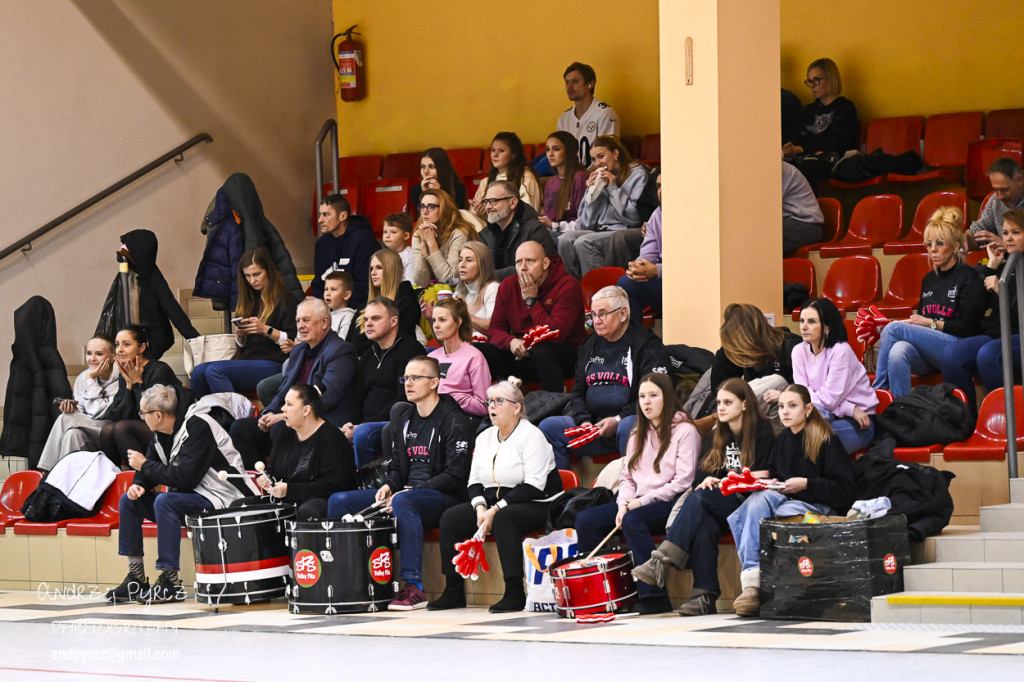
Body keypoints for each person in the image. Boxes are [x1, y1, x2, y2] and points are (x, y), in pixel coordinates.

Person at [328, 357, 474, 611]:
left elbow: (456, 475)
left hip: (443, 496)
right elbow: (397, 466)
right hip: (407, 494)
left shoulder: (454, 420)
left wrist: (411, 490)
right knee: (339, 501)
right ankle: (350, 580)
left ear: (434, 383)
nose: (409, 383)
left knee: (405, 501)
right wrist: (391, 485)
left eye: (416, 377)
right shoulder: (405, 418)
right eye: (405, 378)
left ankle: (414, 586)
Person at [632, 378, 775, 617]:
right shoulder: (715, 436)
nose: (720, 407)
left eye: (728, 402)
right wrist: (708, 481)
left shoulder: (763, 433)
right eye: (719, 402)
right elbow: (700, 478)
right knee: (703, 519)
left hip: (749, 503)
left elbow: (759, 480)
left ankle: (663, 560)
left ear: (745, 405)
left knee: (701, 501)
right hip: (721, 502)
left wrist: (724, 482)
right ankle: (703, 597)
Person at [105, 384, 253, 604]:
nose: (141, 418)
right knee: (129, 500)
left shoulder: (198, 426)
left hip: (223, 499)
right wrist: (139, 485)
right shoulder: (161, 433)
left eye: (142, 413)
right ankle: (136, 577)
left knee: (165, 501)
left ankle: (170, 582)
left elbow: (185, 478)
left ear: (157, 415)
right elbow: (150, 467)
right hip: (192, 498)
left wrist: (144, 466)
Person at [429, 377, 563, 613]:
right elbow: (473, 482)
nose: (492, 406)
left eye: (499, 401)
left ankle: (514, 592)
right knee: (451, 518)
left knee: (505, 518)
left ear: (517, 407)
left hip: (538, 502)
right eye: (489, 401)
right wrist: (481, 508)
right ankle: (453, 591)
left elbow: (534, 485)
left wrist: (495, 509)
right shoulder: (483, 437)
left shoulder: (532, 436)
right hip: (494, 502)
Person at [574, 373, 699, 615]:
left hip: (670, 503)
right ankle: (605, 592)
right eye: (642, 396)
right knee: (586, 520)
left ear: (667, 398)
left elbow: (684, 481)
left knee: (634, 520)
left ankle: (654, 595)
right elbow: (627, 477)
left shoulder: (685, 431)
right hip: (635, 501)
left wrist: (641, 502)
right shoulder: (637, 432)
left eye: (653, 395)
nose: (646, 402)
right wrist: (622, 504)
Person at [728, 384, 855, 616]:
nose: (785, 412)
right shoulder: (783, 438)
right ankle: (753, 582)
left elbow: (845, 492)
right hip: (787, 499)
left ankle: (753, 583)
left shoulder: (826, 440)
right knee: (753, 503)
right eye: (781, 406)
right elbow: (778, 476)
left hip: (815, 504)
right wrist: (761, 478)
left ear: (808, 409)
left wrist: (807, 483)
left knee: (758, 511)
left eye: (792, 406)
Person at [538, 285, 669, 469]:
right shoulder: (589, 344)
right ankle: (562, 492)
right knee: (549, 427)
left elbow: (654, 394)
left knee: (629, 427)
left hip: (629, 423)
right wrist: (584, 421)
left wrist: (617, 420)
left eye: (602, 314)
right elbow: (577, 392)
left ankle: (632, 488)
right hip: (593, 425)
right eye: (592, 315)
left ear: (623, 313)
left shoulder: (647, 345)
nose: (596, 321)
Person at [869, 207, 985, 401]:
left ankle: (876, 393)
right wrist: (915, 324)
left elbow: (966, 328)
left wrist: (930, 324)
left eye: (940, 243)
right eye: (929, 244)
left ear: (956, 247)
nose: (933, 249)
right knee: (898, 352)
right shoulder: (928, 280)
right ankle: (902, 411)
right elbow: (924, 321)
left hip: (955, 347)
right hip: (930, 350)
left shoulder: (971, 277)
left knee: (892, 328)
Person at [229, 299, 357, 468]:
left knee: (281, 428)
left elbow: (327, 399)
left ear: (325, 322)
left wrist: (285, 416)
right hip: (292, 420)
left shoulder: (341, 351)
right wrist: (269, 412)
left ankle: (281, 483)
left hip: (322, 422)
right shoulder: (299, 350)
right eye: (298, 321)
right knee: (241, 429)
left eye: (306, 320)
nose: (300, 326)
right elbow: (283, 390)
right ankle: (259, 482)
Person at [231, 385, 357, 519]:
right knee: (238, 507)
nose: (282, 409)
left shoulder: (331, 438)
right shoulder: (285, 433)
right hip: (289, 499)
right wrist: (267, 480)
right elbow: (273, 470)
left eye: (289, 404)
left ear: (306, 410)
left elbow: (332, 486)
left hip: (322, 501)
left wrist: (289, 490)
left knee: (309, 510)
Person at [943, 208, 1024, 413]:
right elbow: (976, 309)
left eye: (1016, 232)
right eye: (1005, 233)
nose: (1009, 238)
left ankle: (1009, 421)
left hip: (1018, 336)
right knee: (952, 355)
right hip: (996, 334)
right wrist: (991, 267)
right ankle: (967, 421)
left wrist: (1002, 291)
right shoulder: (1002, 263)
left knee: (988, 355)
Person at [189, 248, 299, 397]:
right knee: (198, 371)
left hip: (275, 362)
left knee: (214, 370)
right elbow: (242, 345)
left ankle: (234, 414)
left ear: (269, 271)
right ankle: (201, 416)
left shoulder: (285, 299)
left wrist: (266, 330)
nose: (252, 280)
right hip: (248, 360)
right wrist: (240, 337)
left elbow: (294, 340)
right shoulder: (248, 299)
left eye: (257, 274)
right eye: (247, 276)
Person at [484, 241, 587, 392]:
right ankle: (504, 398)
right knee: (482, 350)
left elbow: (557, 335)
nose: (523, 267)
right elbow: (495, 330)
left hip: (563, 354)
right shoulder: (508, 285)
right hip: (524, 354)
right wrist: (510, 341)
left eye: (530, 261)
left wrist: (531, 301)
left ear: (545, 263)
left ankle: (554, 408)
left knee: (543, 351)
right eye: (519, 262)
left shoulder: (567, 285)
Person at [783, 298, 877, 454]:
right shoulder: (798, 351)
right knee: (803, 432)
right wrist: (849, 408)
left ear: (827, 327)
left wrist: (851, 410)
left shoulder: (841, 351)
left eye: (811, 321)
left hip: (860, 423)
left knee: (805, 436)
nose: (804, 327)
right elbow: (802, 395)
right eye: (802, 321)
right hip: (824, 415)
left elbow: (829, 402)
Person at [342, 297, 426, 467]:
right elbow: (356, 397)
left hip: (395, 422)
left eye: (376, 318)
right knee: (330, 434)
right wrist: (350, 424)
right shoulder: (367, 355)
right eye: (366, 319)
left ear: (394, 321)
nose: (368, 324)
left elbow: (404, 398)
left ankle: (370, 488)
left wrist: (361, 426)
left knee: (363, 433)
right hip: (364, 424)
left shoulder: (411, 349)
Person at [558, 136, 648, 278]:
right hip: (601, 230)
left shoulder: (637, 174)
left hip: (624, 230)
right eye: (594, 159)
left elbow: (634, 218)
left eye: (601, 156)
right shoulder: (601, 177)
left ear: (615, 154)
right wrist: (591, 192)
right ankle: (577, 287)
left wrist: (613, 188)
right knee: (565, 239)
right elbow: (586, 223)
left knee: (584, 242)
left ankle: (600, 290)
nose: (598, 163)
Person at [104, 229, 199, 360]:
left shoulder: (153, 278)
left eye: (126, 251)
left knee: (142, 367)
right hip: (131, 336)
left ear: (139, 253)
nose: (122, 255)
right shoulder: (126, 276)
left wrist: (194, 338)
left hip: (153, 339)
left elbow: (172, 308)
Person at [99, 325, 182, 467]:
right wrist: (129, 386)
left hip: (168, 432)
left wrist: (137, 383)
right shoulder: (125, 372)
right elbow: (118, 415)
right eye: (117, 344)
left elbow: (150, 415)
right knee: (107, 431)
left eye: (126, 344)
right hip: (140, 428)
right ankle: (113, 482)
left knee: (122, 428)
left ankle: (141, 482)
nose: (119, 350)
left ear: (142, 348)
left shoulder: (159, 370)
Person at [706, 304, 801, 425]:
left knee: (777, 381)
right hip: (756, 413)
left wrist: (783, 395)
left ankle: (719, 426)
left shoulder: (791, 345)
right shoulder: (743, 349)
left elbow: (803, 389)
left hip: (786, 409)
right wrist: (727, 349)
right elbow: (719, 389)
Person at [38, 336, 120, 471]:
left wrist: (91, 380)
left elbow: (99, 412)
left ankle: (48, 473)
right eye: (89, 353)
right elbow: (82, 412)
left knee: (66, 419)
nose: (92, 358)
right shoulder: (83, 377)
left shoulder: (120, 378)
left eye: (99, 354)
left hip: (110, 431)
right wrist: (72, 409)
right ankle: (67, 485)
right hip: (88, 430)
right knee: (72, 435)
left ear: (112, 357)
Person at [783, 58, 859, 189]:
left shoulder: (845, 108)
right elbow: (793, 134)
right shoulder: (806, 112)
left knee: (807, 167)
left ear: (830, 79)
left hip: (832, 160)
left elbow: (838, 142)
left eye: (816, 80)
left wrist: (802, 149)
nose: (812, 86)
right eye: (810, 81)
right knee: (779, 168)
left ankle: (807, 209)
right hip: (803, 159)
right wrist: (789, 147)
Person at [477, 180, 556, 280]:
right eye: (486, 202)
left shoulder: (535, 230)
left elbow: (535, 270)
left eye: (493, 201)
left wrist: (491, 276)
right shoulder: (484, 235)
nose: (488, 207)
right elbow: (477, 270)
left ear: (513, 203)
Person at [313, 193, 379, 307]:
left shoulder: (364, 240)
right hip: (330, 308)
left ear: (342, 216)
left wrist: (335, 304)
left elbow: (366, 286)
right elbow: (318, 285)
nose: (320, 220)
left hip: (360, 309)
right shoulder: (321, 244)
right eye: (320, 214)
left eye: (326, 214)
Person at [429, 297, 491, 419]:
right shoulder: (431, 357)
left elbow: (484, 406)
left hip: (459, 420)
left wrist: (450, 397)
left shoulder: (474, 357)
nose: (436, 325)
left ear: (458, 322)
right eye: (434, 320)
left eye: (442, 320)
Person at [618, 172, 663, 325]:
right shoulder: (657, 215)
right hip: (664, 281)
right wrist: (638, 267)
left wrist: (657, 270)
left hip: (691, 282)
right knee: (625, 282)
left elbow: (695, 265)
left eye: (666, 185)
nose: (661, 191)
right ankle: (636, 343)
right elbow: (648, 254)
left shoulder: (694, 215)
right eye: (658, 186)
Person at [354, 249, 421, 351]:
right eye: (371, 269)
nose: (373, 273)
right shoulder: (364, 305)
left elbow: (396, 343)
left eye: (379, 268)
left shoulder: (406, 303)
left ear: (392, 270)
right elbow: (350, 342)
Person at [557, 61, 621, 166]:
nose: (569, 86)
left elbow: (608, 159)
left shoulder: (605, 113)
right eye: (567, 82)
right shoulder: (564, 118)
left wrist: (583, 178)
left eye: (575, 81)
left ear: (591, 84)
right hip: (571, 177)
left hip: (599, 177)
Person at [412, 189, 478, 287]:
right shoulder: (419, 234)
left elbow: (449, 278)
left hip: (460, 290)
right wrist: (424, 249)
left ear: (444, 208)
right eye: (422, 206)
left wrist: (431, 243)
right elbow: (421, 281)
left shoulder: (460, 233)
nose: (425, 212)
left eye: (431, 207)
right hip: (433, 292)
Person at [469, 133, 542, 214]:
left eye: (501, 150)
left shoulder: (526, 178)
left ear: (514, 154)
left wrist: (490, 211)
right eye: (493, 150)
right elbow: (473, 214)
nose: (495, 155)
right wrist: (478, 210)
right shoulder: (485, 182)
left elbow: (528, 215)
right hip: (484, 225)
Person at [966, 158, 1024, 251]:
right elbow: (979, 233)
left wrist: (1006, 246)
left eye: (1004, 190)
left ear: (1020, 180)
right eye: (996, 190)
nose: (1000, 196)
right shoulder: (995, 201)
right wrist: (963, 239)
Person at [539, 131, 589, 233]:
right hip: (550, 231)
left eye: (556, 149)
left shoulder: (581, 177)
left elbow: (584, 222)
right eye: (547, 150)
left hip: (569, 234)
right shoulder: (550, 183)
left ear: (569, 151)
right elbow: (548, 217)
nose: (550, 154)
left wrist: (554, 225)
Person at [454, 242, 501, 337]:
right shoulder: (458, 294)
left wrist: (465, 315)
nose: (462, 265)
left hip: (486, 348)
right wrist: (431, 319)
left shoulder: (492, 288)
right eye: (460, 260)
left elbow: (496, 328)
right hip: (461, 348)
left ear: (482, 264)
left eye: (469, 260)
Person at [782, 161, 825, 254]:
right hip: (789, 222)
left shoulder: (775, 169)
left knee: (761, 230)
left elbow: (765, 208)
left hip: (807, 227)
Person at [323, 270, 358, 343]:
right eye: (326, 289)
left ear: (346, 295)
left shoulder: (348, 316)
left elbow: (341, 342)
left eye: (333, 289)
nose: (328, 293)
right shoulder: (325, 315)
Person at [382, 213, 416, 283]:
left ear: (406, 236)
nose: (387, 236)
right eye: (385, 232)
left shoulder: (410, 256)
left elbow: (411, 284)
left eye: (393, 232)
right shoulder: (383, 255)